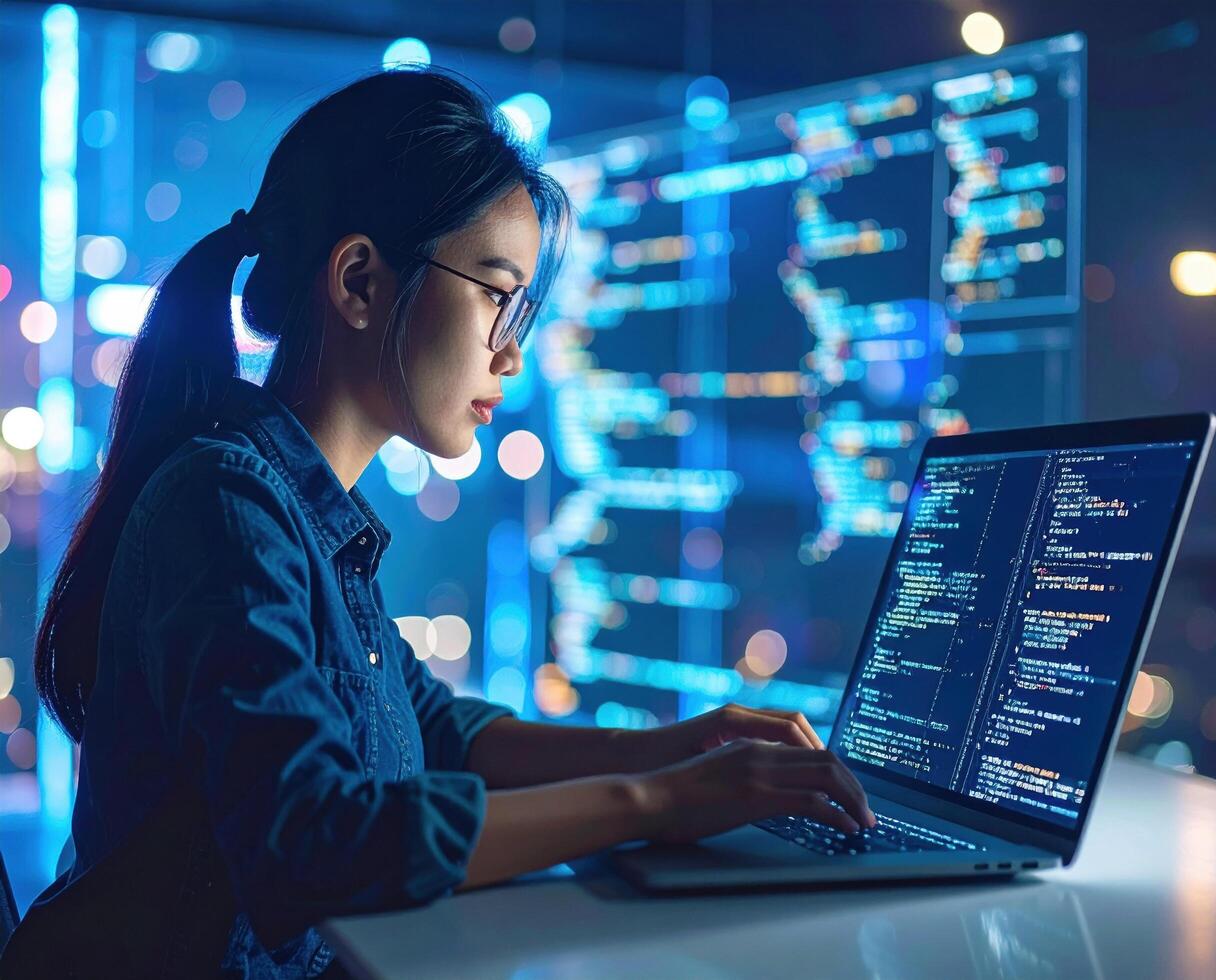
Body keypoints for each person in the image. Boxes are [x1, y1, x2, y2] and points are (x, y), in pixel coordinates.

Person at [5, 66, 874, 978]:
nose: (512, 350)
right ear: (359, 281)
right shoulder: (226, 505)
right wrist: (657, 799)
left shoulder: (305, 514)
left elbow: (438, 733)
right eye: (497, 293)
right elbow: (316, 838)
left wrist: (683, 746)